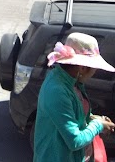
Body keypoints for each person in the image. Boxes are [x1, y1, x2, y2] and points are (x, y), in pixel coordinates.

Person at [33, 32, 115, 162]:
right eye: (94, 67)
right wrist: (98, 125)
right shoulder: (57, 91)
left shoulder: (70, 81)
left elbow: (72, 113)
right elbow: (75, 141)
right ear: (82, 68)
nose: (95, 72)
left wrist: (92, 118)